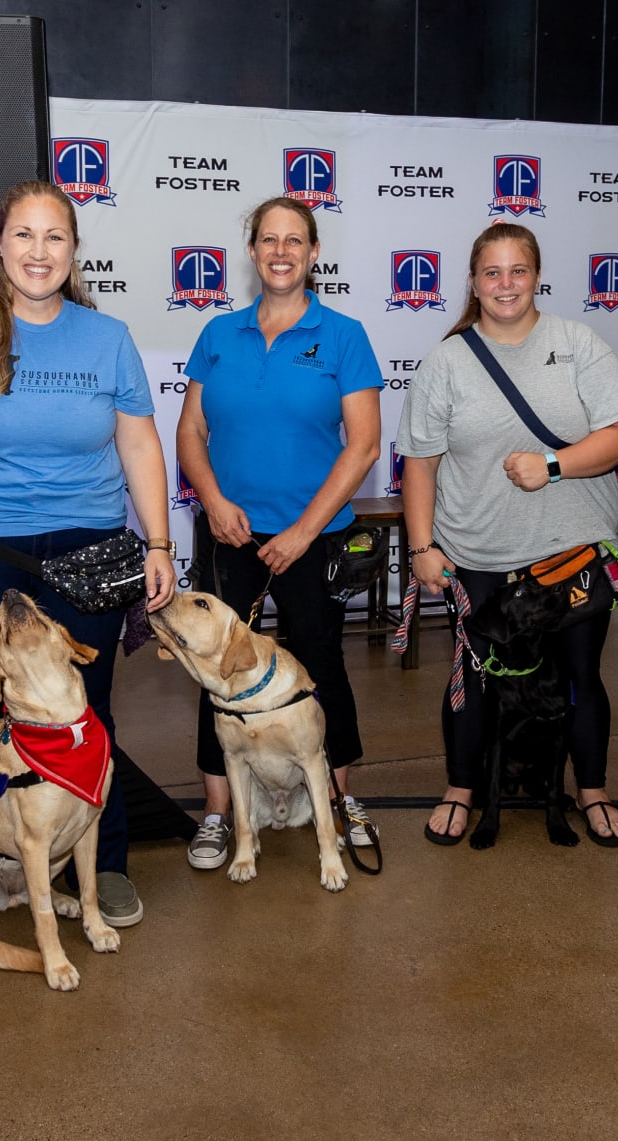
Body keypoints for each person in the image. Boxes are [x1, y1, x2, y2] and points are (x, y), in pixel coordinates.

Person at [0, 179, 174, 927]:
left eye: (54, 237)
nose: (38, 251)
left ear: (74, 250)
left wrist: (157, 541)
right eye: (23, 235)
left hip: (87, 550)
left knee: (88, 716)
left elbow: (138, 442)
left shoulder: (107, 336)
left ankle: (107, 865)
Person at [400, 222, 618, 845]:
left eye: (517, 271)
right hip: (477, 556)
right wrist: (423, 548)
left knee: (580, 677)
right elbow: (420, 463)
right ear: (474, 283)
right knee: (474, 678)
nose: (505, 285)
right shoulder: (446, 361)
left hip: (572, 557)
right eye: (492, 273)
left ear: (536, 276)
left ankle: (592, 791)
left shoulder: (579, 343)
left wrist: (553, 465)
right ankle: (460, 788)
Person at [173, 196, 383, 870]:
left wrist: (300, 531)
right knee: (217, 675)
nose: (282, 251)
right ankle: (217, 812)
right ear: (254, 250)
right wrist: (212, 499)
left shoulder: (343, 334)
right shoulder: (218, 335)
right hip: (230, 533)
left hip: (313, 536)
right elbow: (190, 432)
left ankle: (341, 800)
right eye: (269, 240)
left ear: (313, 252)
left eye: (295, 240)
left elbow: (364, 446)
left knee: (322, 667)